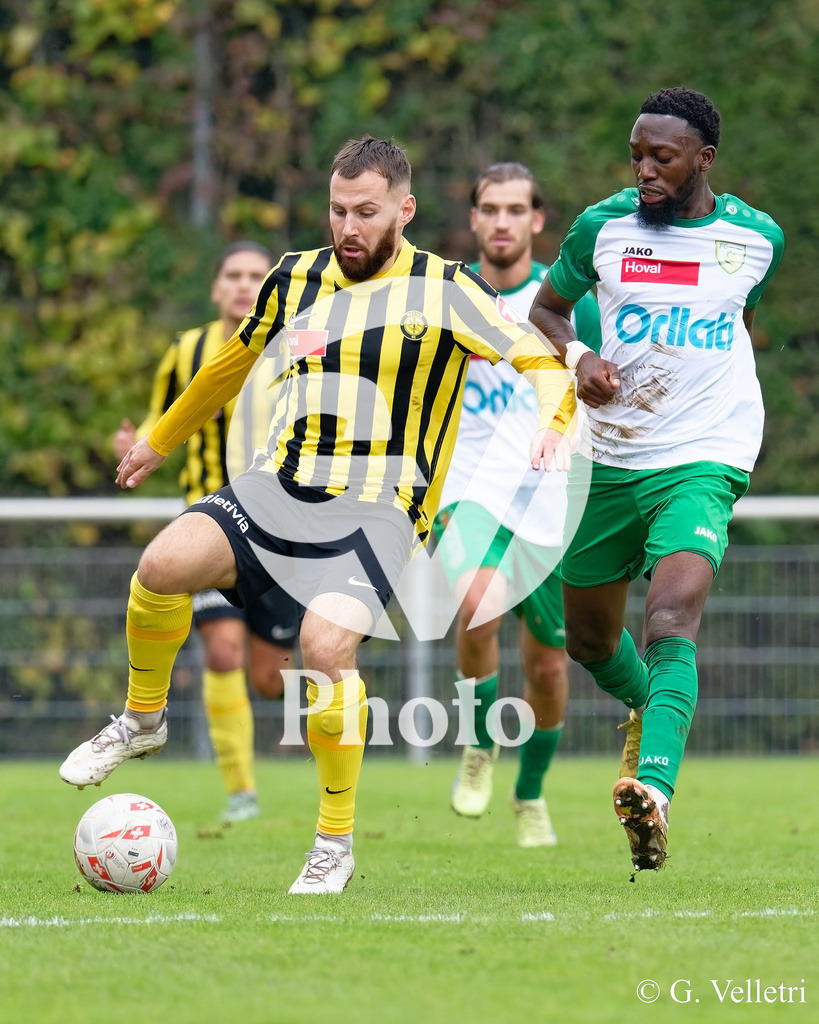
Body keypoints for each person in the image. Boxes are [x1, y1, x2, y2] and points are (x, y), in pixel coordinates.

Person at [59, 137, 574, 894]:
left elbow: (538, 360)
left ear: (404, 209)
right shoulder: (293, 276)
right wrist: (162, 438)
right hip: (281, 485)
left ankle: (333, 843)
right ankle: (143, 720)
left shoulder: (446, 288)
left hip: (381, 506)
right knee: (161, 567)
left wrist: (551, 425)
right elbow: (231, 362)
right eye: (338, 209)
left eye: (366, 211)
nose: (349, 226)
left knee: (323, 650)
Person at [529, 87, 784, 873]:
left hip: (705, 456)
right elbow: (546, 312)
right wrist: (580, 361)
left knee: (670, 619)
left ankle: (652, 788)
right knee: (589, 642)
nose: (643, 169)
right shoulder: (600, 227)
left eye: (661, 158)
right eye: (635, 154)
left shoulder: (754, 238)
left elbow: (736, 321)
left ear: (703, 160)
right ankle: (645, 703)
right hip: (608, 457)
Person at [432, 163, 601, 847]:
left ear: (536, 222)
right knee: (475, 603)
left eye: (514, 210)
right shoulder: (447, 296)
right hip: (466, 490)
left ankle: (529, 795)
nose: (500, 221)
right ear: (472, 220)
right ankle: (478, 744)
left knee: (548, 666)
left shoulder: (565, 305)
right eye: (488, 209)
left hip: (548, 499)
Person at [113, 242, 301, 825]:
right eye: (233, 276)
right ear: (217, 289)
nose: (246, 285)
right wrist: (140, 441)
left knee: (270, 679)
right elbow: (161, 411)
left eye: (256, 275)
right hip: (208, 525)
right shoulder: (188, 350)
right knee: (221, 652)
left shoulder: (295, 344)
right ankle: (241, 791)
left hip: (279, 527)